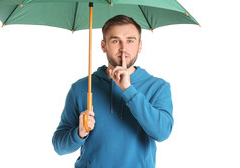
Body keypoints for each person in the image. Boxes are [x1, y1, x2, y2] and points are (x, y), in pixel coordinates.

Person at [52, 15, 174, 168]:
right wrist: (79, 132)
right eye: (116, 41)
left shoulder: (158, 87)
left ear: (140, 46)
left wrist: (128, 90)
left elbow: (162, 133)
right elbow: (59, 146)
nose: (123, 48)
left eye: (130, 40)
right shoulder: (81, 88)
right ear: (103, 46)